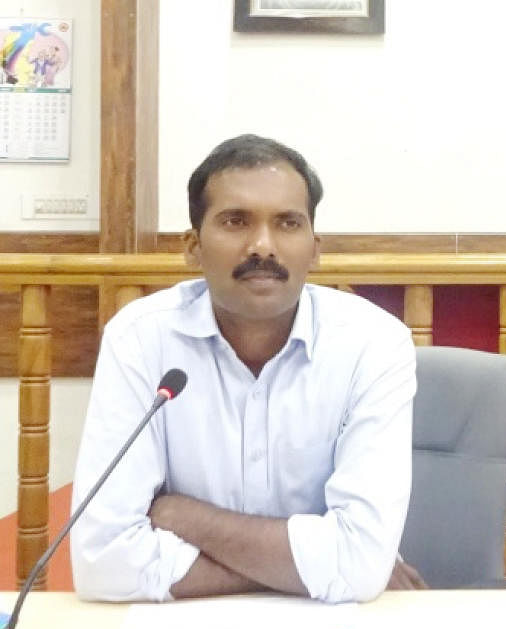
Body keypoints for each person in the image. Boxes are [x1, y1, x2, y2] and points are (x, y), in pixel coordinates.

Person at [70, 134, 426, 602]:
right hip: (182, 628)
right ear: (193, 247)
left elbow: (360, 565)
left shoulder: (374, 344)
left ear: (315, 248)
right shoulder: (139, 340)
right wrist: (323, 567)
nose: (263, 245)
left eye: (287, 223)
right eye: (235, 221)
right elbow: (103, 564)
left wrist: (185, 517)